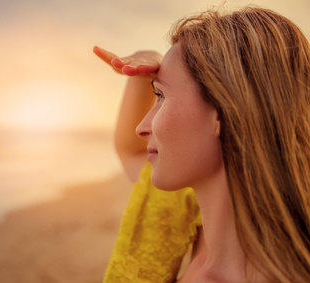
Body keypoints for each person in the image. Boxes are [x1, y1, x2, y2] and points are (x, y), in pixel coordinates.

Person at [93, 6, 310, 283]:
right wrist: (144, 78)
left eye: (160, 96)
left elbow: (130, 150)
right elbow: (131, 150)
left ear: (224, 114)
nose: (142, 127)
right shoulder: (190, 211)